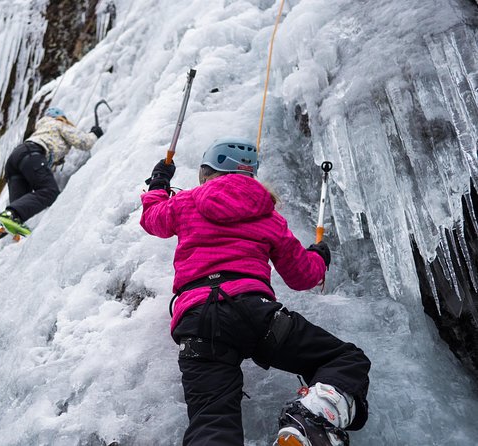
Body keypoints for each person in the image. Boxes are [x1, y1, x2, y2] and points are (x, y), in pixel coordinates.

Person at [139, 137, 371, 446]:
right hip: (256, 313)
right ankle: (313, 419)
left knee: (211, 418)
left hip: (198, 323)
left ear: (208, 173)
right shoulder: (269, 217)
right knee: (345, 359)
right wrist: (319, 256)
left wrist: (158, 182)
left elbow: (152, 219)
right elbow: (302, 276)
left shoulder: (186, 203)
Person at [0, 107, 103, 264]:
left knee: (16, 216)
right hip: (32, 154)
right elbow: (84, 142)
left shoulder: (41, 130)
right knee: (49, 192)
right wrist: (95, 133)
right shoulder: (58, 124)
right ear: (61, 118)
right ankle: (5, 220)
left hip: (15, 160)